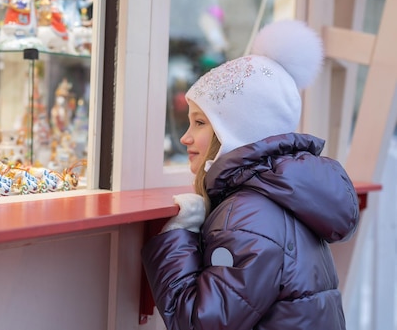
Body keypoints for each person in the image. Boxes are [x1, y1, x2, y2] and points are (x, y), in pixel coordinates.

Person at [141, 19, 359, 330]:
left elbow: (200, 323)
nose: (185, 138)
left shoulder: (247, 214)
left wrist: (179, 236)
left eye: (200, 123)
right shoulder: (283, 197)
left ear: (235, 130)